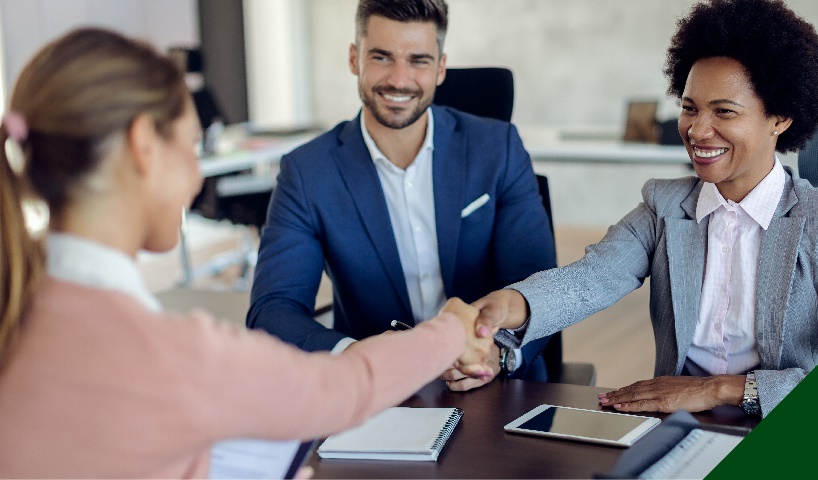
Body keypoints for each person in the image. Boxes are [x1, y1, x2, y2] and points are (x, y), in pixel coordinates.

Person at [0, 28, 494, 478]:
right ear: (144, 145)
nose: (197, 177)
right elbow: (345, 389)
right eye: (193, 147)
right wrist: (449, 330)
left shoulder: (17, 320)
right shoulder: (172, 356)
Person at [473, 0, 818, 417]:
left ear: (779, 118)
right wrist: (507, 307)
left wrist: (723, 389)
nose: (697, 130)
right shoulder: (664, 205)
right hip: (678, 425)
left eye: (723, 111)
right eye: (689, 108)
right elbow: (589, 280)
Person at [247, 0, 557, 391]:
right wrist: (359, 357)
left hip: (498, 388)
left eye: (418, 60)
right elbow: (273, 310)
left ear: (441, 67)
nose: (399, 79)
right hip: (376, 392)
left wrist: (498, 352)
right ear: (354, 57)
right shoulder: (307, 172)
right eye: (381, 57)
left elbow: (542, 286)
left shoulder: (498, 148)